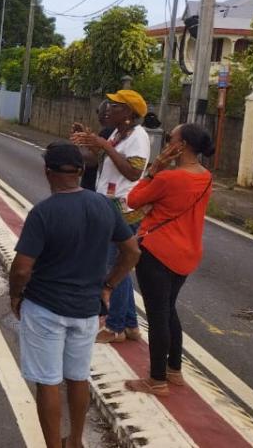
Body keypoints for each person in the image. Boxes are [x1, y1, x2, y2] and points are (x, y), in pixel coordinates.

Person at [9, 141, 139, 448]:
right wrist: (108, 286)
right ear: (81, 172)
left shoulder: (44, 213)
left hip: (45, 308)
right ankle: (76, 441)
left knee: (48, 381)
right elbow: (132, 252)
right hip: (87, 310)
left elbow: (22, 269)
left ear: (47, 172)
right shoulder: (105, 206)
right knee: (78, 378)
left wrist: (15, 296)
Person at [123, 123, 215, 397]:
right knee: (169, 310)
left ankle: (156, 379)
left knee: (158, 315)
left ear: (182, 145)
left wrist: (154, 170)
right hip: (187, 253)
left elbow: (134, 198)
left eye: (170, 138)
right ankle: (174, 370)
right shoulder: (206, 176)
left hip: (159, 253)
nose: (166, 142)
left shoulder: (168, 178)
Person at [71, 89, 149, 344]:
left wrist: (104, 145)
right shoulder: (118, 133)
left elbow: (133, 173)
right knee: (117, 266)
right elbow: (98, 164)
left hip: (123, 210)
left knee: (116, 268)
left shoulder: (138, 137)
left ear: (128, 112)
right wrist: (88, 142)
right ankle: (130, 325)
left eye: (115, 106)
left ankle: (115, 326)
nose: (108, 109)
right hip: (108, 204)